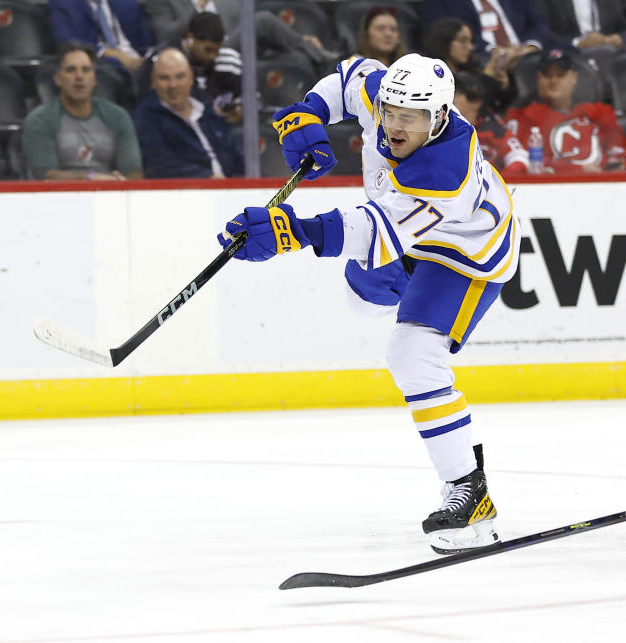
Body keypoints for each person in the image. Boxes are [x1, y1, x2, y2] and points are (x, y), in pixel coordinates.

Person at [218, 53, 520, 554]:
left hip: (465, 254)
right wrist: (308, 111)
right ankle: (404, 298)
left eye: (411, 117)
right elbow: (350, 74)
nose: (395, 125)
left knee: (411, 354)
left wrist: (290, 230)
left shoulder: (445, 173)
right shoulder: (387, 99)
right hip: (406, 238)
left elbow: (366, 229)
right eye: (390, 111)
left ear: (438, 117)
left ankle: (469, 489)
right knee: (360, 299)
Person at [23, 41, 143, 181]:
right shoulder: (40, 119)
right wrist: (91, 178)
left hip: (110, 198)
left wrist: (119, 183)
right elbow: (46, 177)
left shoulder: (118, 116)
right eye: (71, 70)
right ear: (58, 79)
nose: (79, 76)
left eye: (86, 70)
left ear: (94, 79)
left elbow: (134, 174)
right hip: (59, 199)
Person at [505, 48, 626, 173]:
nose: (554, 81)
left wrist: (618, 165)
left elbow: (618, 150)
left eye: (560, 75)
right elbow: (525, 160)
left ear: (574, 77)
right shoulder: (523, 115)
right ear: (538, 79)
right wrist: (576, 169)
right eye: (547, 75)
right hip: (552, 187)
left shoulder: (598, 112)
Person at [132, 47, 243, 178]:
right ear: (153, 81)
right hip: (190, 192)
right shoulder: (145, 117)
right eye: (164, 78)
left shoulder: (207, 110)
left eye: (180, 77)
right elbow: (159, 164)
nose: (173, 85)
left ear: (191, 77)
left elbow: (239, 156)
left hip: (234, 190)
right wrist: (210, 178)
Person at [140, 0, 334, 72]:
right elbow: (166, 35)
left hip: (236, 48)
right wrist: (197, 7)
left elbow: (243, 27)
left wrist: (297, 39)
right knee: (263, 20)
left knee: (296, 57)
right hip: (201, 54)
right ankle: (326, 62)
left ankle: (307, 49)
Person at [138, 12, 243, 123]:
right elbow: (147, 101)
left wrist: (240, 111)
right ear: (190, 38)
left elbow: (250, 98)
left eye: (217, 50)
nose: (213, 56)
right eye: (208, 50)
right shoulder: (161, 61)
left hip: (223, 130)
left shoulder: (229, 61)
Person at [422, 17, 516, 115]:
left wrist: (504, 85)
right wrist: (487, 78)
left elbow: (500, 106)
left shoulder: (472, 69)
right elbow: (473, 111)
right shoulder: (433, 77)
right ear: (444, 42)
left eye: (470, 41)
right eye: (463, 41)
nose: (470, 47)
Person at [421, 0, 550, 72]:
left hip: (526, 52)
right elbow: (445, 32)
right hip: (481, 55)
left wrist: (529, 47)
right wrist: (495, 51)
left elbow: (538, 22)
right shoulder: (443, 3)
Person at [48, 0, 155, 78]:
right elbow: (65, 41)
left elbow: (147, 42)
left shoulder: (127, 4)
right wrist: (112, 54)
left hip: (139, 60)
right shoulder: (63, 4)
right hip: (102, 62)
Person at [454, 71, 528, 174]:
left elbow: (519, 158)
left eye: (455, 94)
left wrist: (496, 184)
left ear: (476, 102)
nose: (449, 99)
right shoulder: (437, 129)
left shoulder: (494, 131)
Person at [536, 0, 626, 52]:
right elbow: (543, 31)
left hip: (614, 52)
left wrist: (620, 38)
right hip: (571, 55)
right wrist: (578, 42)